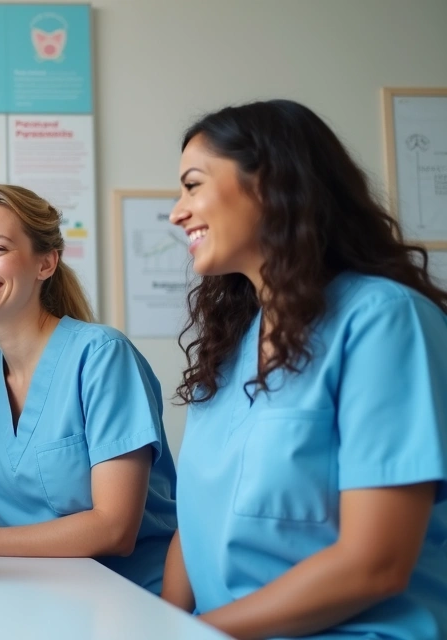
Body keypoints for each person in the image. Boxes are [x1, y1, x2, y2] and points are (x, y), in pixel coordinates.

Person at [162, 99, 447, 639]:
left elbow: (375, 563)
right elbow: (194, 526)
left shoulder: (383, 321)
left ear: (269, 182)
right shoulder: (232, 345)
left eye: (193, 185)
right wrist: (156, 624)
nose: (177, 212)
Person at [0, 183, 178, 595]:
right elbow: (28, 514)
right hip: (43, 595)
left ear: (46, 263)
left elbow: (114, 527)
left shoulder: (102, 356)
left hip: (135, 600)